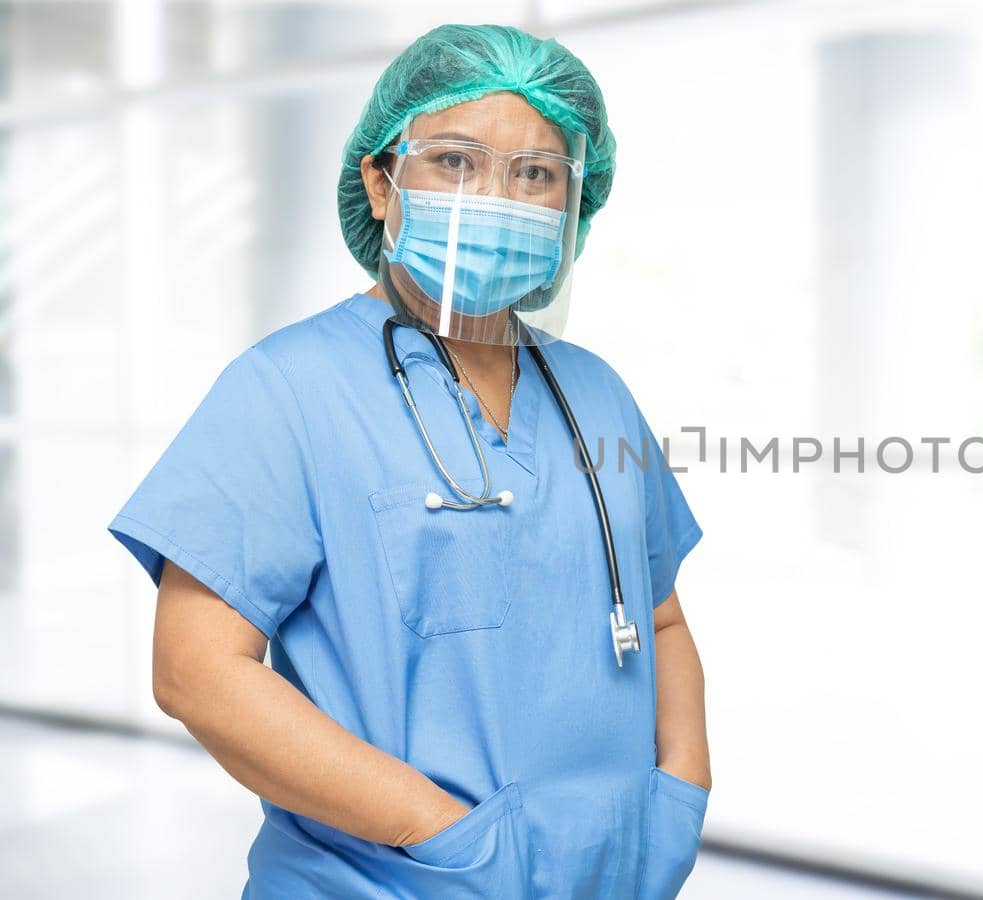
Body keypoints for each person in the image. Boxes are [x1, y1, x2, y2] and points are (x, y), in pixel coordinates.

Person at [106, 24, 711, 898]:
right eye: (457, 162)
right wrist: (437, 832)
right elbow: (196, 671)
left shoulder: (596, 394)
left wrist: (679, 791)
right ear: (381, 183)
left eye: (536, 174)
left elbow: (659, 622)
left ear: (574, 205)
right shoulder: (289, 388)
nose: (496, 197)